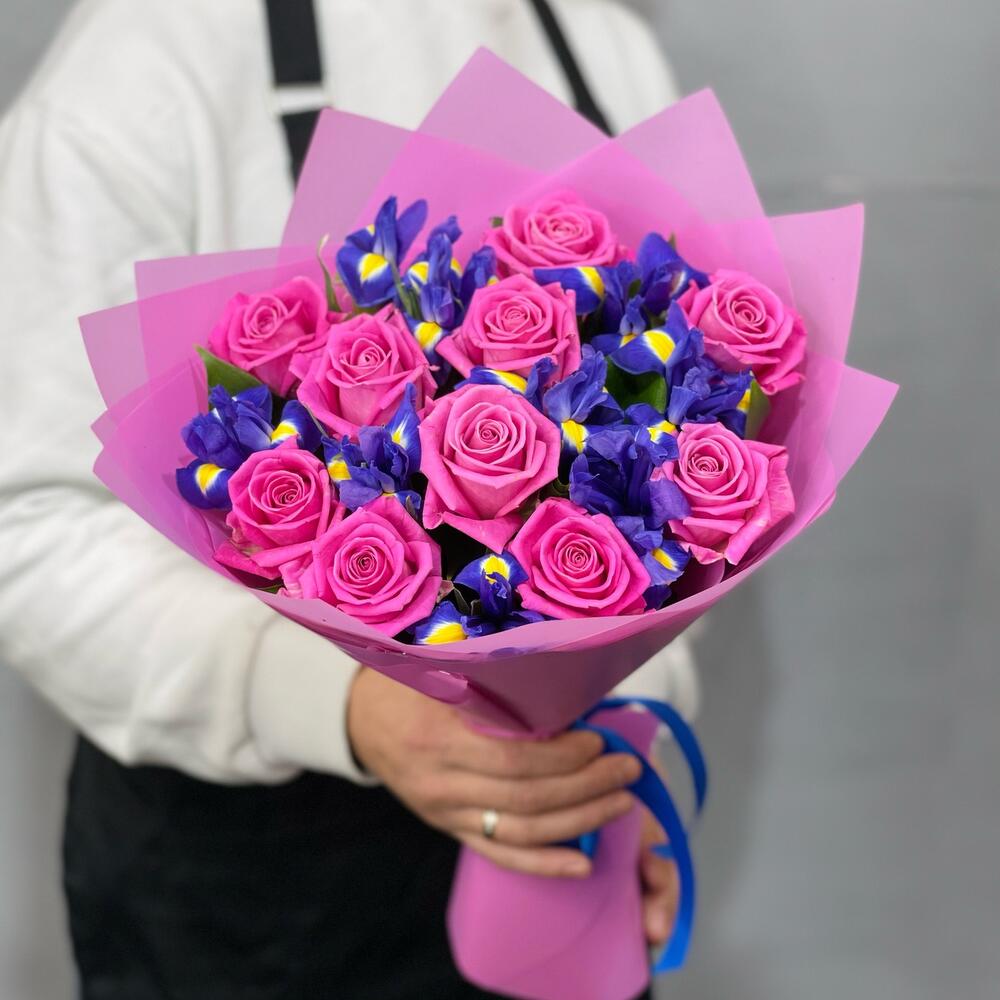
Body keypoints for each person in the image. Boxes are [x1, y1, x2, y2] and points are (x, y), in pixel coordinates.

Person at [0, 1, 699, 997]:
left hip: (558, 834)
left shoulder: (603, 46)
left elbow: (685, 488)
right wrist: (330, 699)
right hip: (251, 887)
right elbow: (29, 522)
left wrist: (626, 762)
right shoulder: (150, 55)